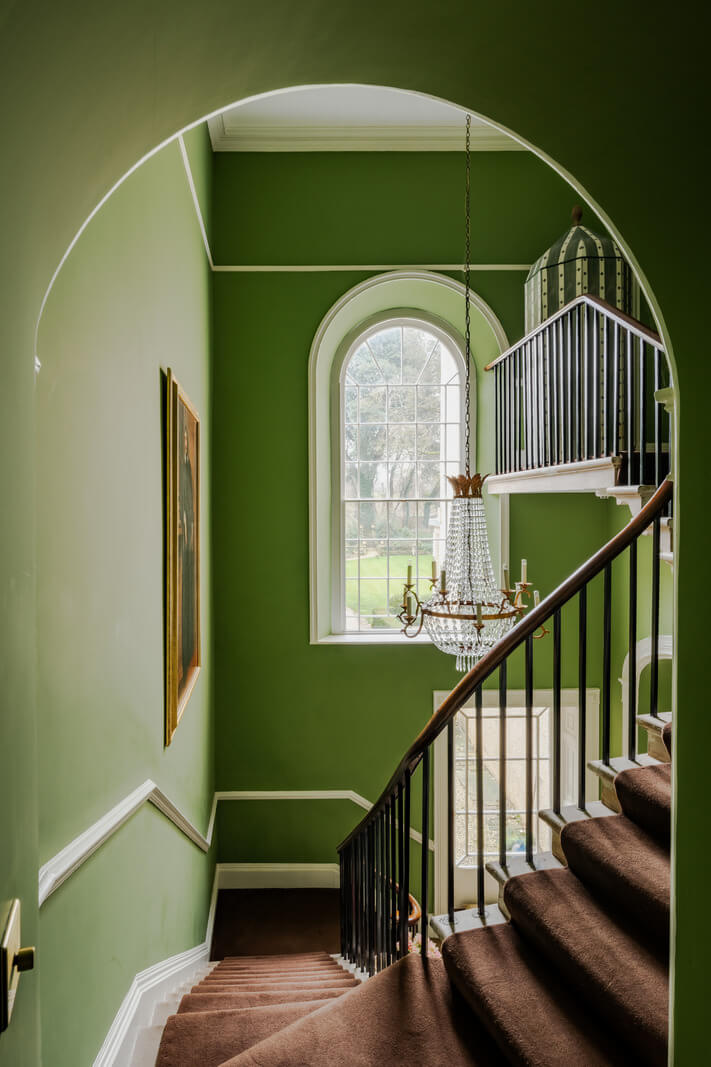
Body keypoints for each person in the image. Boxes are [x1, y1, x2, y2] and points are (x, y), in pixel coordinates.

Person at [178, 409, 195, 687]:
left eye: (185, 435)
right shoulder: (179, 469)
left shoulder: (187, 467)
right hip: (182, 551)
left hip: (188, 550)